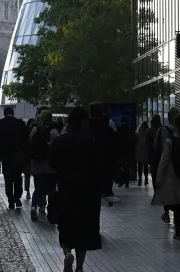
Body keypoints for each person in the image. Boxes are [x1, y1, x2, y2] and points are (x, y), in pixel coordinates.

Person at [49, 106, 101, 272]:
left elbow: (53, 162)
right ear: (83, 121)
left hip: (66, 187)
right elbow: (98, 166)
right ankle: (79, 267)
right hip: (87, 191)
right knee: (83, 228)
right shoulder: (90, 142)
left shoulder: (60, 141)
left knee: (65, 224)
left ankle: (66, 253)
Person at [152, 114, 180, 240]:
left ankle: (178, 233)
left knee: (178, 205)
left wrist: (159, 178)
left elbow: (164, 160)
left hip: (174, 176)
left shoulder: (170, 141)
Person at [0, 106, 29, 209]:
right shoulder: (20, 123)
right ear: (13, 113)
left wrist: (2, 142)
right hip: (18, 155)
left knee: (8, 178)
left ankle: (10, 199)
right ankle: (17, 197)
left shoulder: (0, 123)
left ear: (4, 114)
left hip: (5, 155)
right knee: (17, 177)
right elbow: (26, 137)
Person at [29, 108, 60, 222]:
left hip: (38, 164)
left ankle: (34, 208)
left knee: (38, 189)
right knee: (51, 189)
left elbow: (30, 145)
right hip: (51, 165)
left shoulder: (35, 130)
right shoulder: (54, 130)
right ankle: (50, 210)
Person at [87, 102, 118, 203]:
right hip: (103, 168)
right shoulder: (107, 130)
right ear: (101, 113)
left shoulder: (84, 129)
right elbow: (113, 151)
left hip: (86, 170)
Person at [155, 108, 179, 223]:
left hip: (166, 163)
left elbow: (155, 146)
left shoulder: (162, 130)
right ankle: (178, 211)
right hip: (179, 164)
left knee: (166, 188)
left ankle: (166, 212)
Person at [115, 116, 137, 188]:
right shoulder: (130, 130)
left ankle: (121, 180)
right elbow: (135, 139)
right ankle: (127, 182)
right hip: (129, 150)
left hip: (121, 151)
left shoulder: (119, 129)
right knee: (127, 166)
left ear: (121, 121)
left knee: (121, 166)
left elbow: (116, 140)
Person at [145, 114, 162, 187]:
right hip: (160, 154)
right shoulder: (161, 130)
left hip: (151, 154)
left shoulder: (148, 131)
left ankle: (155, 188)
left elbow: (145, 143)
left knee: (153, 173)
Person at [24, 117, 37, 200]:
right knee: (28, 176)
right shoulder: (28, 133)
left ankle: (30, 191)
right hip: (29, 157)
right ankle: (28, 191)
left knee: (29, 176)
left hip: (31, 157)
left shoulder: (35, 132)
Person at [135, 121, 151, 186]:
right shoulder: (148, 133)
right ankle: (146, 179)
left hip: (139, 151)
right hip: (146, 151)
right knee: (146, 166)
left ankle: (139, 179)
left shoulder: (138, 133)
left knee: (139, 165)